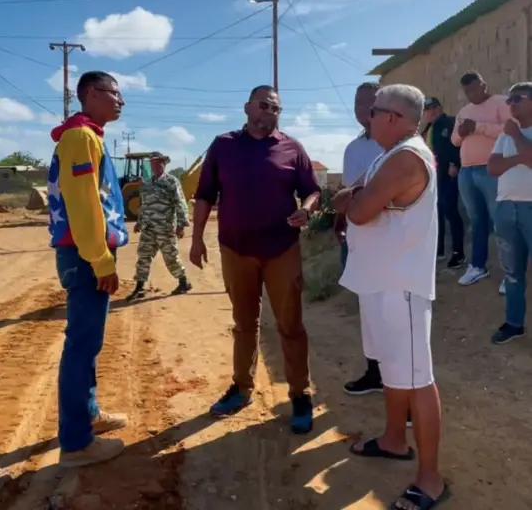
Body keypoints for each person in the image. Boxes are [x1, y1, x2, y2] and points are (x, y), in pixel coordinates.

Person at [336, 84, 448, 510]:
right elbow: (354, 197)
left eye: (375, 111)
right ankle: (394, 440)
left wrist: (355, 199)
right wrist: (356, 197)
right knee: (392, 370)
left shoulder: (405, 157)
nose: (368, 116)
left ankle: (431, 478)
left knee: (418, 380)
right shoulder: (390, 153)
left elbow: (358, 208)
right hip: (381, 281)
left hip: (401, 286)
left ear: (395, 118)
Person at [190, 85, 321, 434]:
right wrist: (196, 238)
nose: (270, 112)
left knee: (290, 325)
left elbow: (312, 190)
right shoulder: (223, 146)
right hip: (236, 249)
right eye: (264, 105)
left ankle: (300, 395)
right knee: (244, 324)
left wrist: (306, 210)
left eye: (276, 108)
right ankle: (241, 387)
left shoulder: (292, 148)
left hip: (281, 250)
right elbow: (204, 194)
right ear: (247, 107)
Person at [48, 71, 129, 467]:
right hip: (84, 256)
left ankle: (89, 414)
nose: (121, 101)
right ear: (92, 94)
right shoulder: (80, 138)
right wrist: (102, 260)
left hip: (84, 253)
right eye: (115, 93)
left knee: (88, 345)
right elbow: (84, 207)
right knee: (81, 346)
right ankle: (77, 443)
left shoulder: (88, 135)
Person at [339, 82, 387, 398]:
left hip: (390, 244)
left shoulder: (397, 148)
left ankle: (403, 388)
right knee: (368, 312)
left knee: (391, 315)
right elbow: (347, 197)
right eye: (356, 102)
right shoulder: (354, 148)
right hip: (360, 240)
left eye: (366, 101)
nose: (360, 108)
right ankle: (374, 372)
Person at [451, 71, 511, 287]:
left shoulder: (500, 103)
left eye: (475, 89)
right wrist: (462, 131)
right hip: (467, 171)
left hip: (492, 170)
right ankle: (477, 266)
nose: (472, 94)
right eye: (467, 91)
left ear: (484, 85)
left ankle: (510, 273)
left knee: (500, 221)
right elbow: (455, 140)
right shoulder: (464, 111)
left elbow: (510, 130)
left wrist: (478, 127)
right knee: (477, 222)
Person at [488, 82, 532, 344]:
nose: (511, 103)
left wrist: (517, 136)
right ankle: (514, 324)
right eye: (509, 99)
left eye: (518, 98)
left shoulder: (510, 133)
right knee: (512, 272)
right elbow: (492, 167)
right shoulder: (504, 135)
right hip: (505, 208)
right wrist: (520, 157)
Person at [126, 151, 192, 301]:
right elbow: (144, 204)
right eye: (153, 163)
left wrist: (181, 225)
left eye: (158, 163)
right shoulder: (147, 183)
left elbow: (180, 203)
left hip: (165, 228)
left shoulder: (171, 181)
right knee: (143, 257)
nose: (155, 166)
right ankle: (139, 287)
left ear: (164, 164)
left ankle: (183, 282)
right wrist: (139, 222)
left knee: (171, 258)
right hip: (148, 228)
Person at [422, 97, 465, 268]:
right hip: (432, 178)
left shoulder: (450, 122)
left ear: (440, 108)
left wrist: (455, 164)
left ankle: (458, 253)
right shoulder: (427, 129)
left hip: (448, 175)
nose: (431, 111)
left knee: (451, 213)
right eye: (427, 109)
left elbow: (458, 145)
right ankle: (438, 250)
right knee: (435, 214)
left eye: (434, 107)